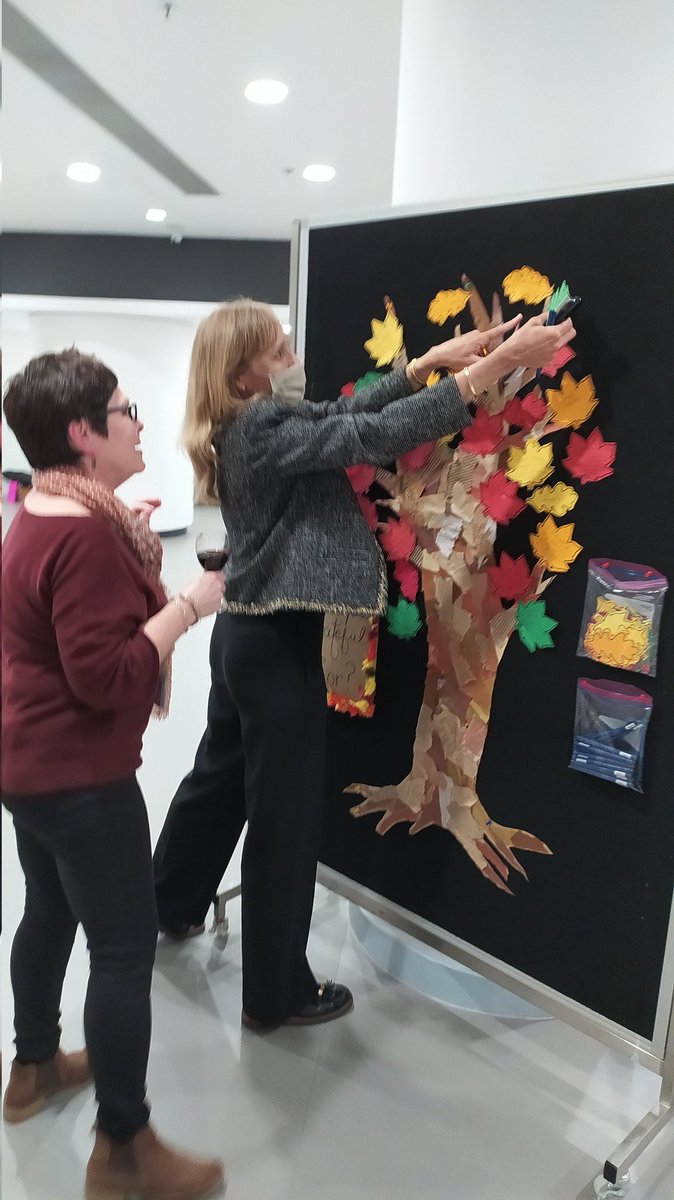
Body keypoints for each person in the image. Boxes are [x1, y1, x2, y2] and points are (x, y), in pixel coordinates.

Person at [153, 299, 575, 1029]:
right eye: (279, 350)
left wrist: (426, 365)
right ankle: (277, 994)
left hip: (246, 639)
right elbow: (369, 434)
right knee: (283, 822)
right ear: (245, 373)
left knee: (217, 781)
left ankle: (170, 900)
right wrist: (497, 367)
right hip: (274, 646)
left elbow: (334, 417)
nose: (292, 355)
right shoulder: (260, 428)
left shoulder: (252, 422)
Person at [1, 350, 226, 1200]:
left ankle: (30, 1070)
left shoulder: (44, 508)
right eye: (125, 411)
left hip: (26, 764)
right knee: (125, 952)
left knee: (49, 912)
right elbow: (107, 677)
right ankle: (124, 1149)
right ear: (83, 434)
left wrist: (125, 539)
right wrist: (187, 608)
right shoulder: (84, 534)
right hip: (80, 778)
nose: (139, 422)